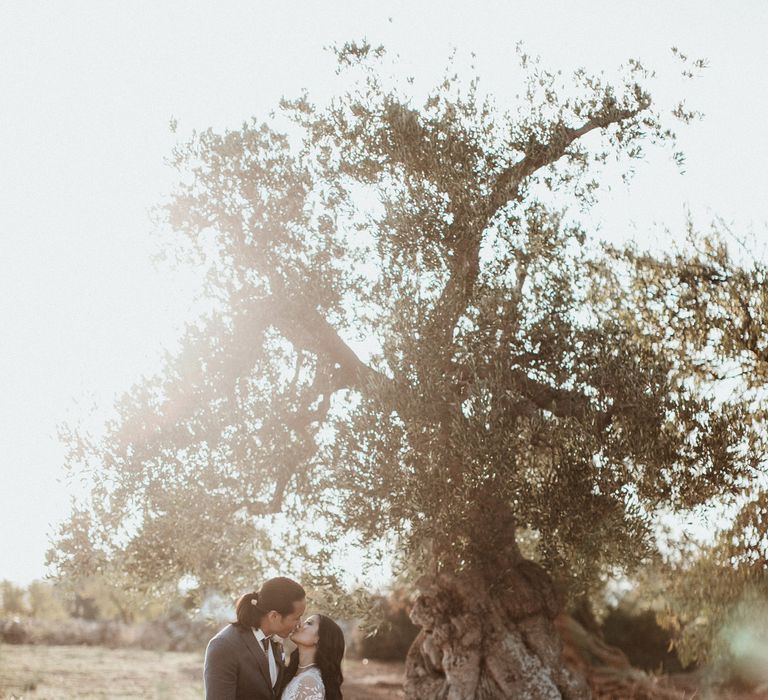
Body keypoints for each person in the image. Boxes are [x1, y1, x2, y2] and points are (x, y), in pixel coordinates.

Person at [204, 576, 306, 699]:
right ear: (274, 616)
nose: (300, 623)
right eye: (296, 618)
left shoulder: (274, 641)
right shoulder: (224, 646)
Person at [281, 613, 345, 700]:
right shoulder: (296, 672)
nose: (299, 624)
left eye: (309, 623)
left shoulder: (310, 683)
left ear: (320, 638)